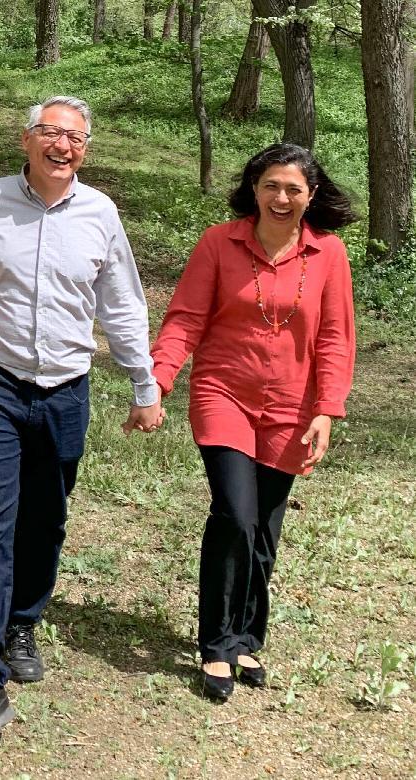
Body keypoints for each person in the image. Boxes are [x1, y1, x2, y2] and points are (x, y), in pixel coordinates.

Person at [0, 96, 164, 740]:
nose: (61, 145)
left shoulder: (101, 213)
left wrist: (144, 382)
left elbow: (121, 303)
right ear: (27, 139)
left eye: (74, 137)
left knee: (45, 518)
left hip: (66, 389)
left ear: (86, 151)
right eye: (50, 132)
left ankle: (22, 622)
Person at [150, 144, 357, 701]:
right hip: (224, 394)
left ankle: (246, 638)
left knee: (265, 527)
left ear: (311, 195)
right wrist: (158, 380)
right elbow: (185, 319)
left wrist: (327, 409)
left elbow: (336, 338)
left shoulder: (329, 253)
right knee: (236, 515)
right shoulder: (220, 243)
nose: (281, 198)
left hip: (292, 406)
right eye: (271, 186)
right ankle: (217, 644)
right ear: (254, 188)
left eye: (293, 189)